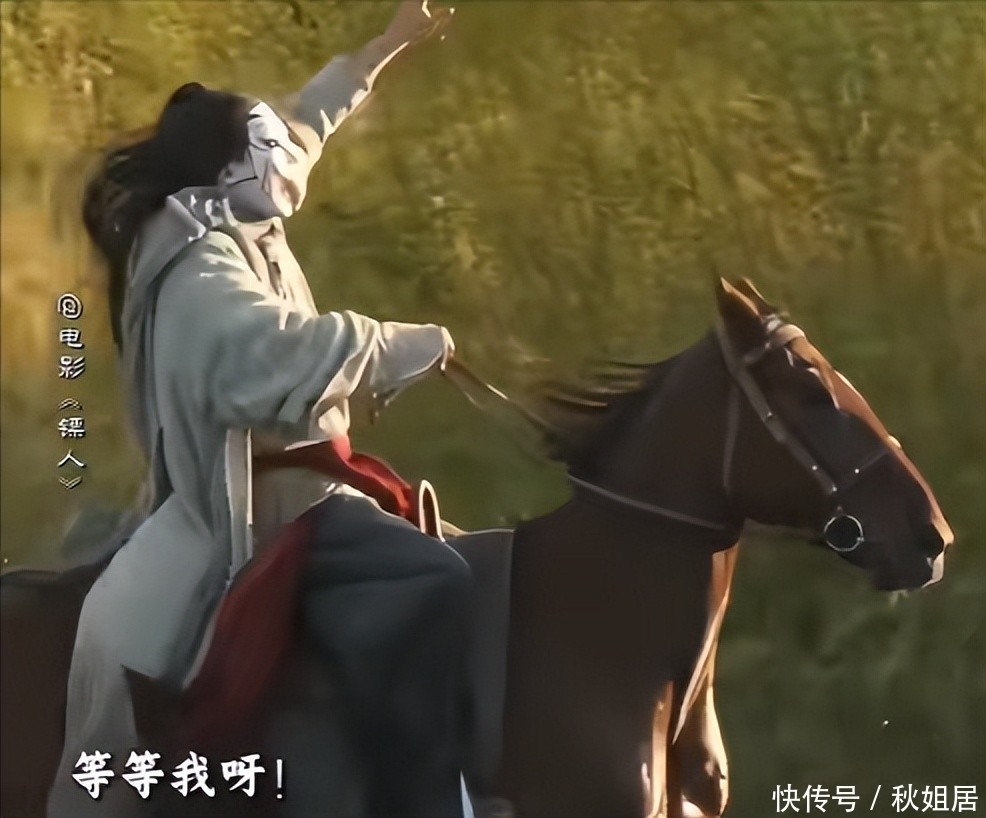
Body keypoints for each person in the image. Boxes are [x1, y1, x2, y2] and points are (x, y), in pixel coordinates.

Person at [47, 3, 472, 817]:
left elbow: (306, 123)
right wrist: (395, 345)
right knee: (434, 575)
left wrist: (390, 43)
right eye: (264, 147)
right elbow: (274, 353)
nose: (286, 156)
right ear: (225, 171)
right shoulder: (198, 269)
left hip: (318, 484)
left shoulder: (239, 208)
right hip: (261, 506)